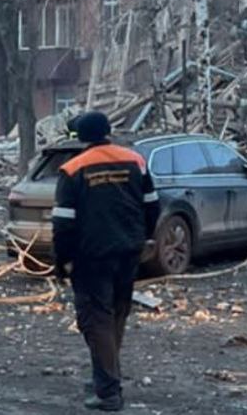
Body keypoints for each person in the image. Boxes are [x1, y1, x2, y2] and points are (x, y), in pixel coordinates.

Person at [52, 112, 160, 411]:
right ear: (108, 132)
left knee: (95, 320)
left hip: (91, 256)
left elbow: (63, 223)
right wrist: (145, 238)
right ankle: (105, 377)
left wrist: (63, 261)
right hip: (128, 252)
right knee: (115, 316)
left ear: (81, 138)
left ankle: (108, 392)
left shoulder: (72, 168)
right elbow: (153, 205)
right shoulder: (135, 160)